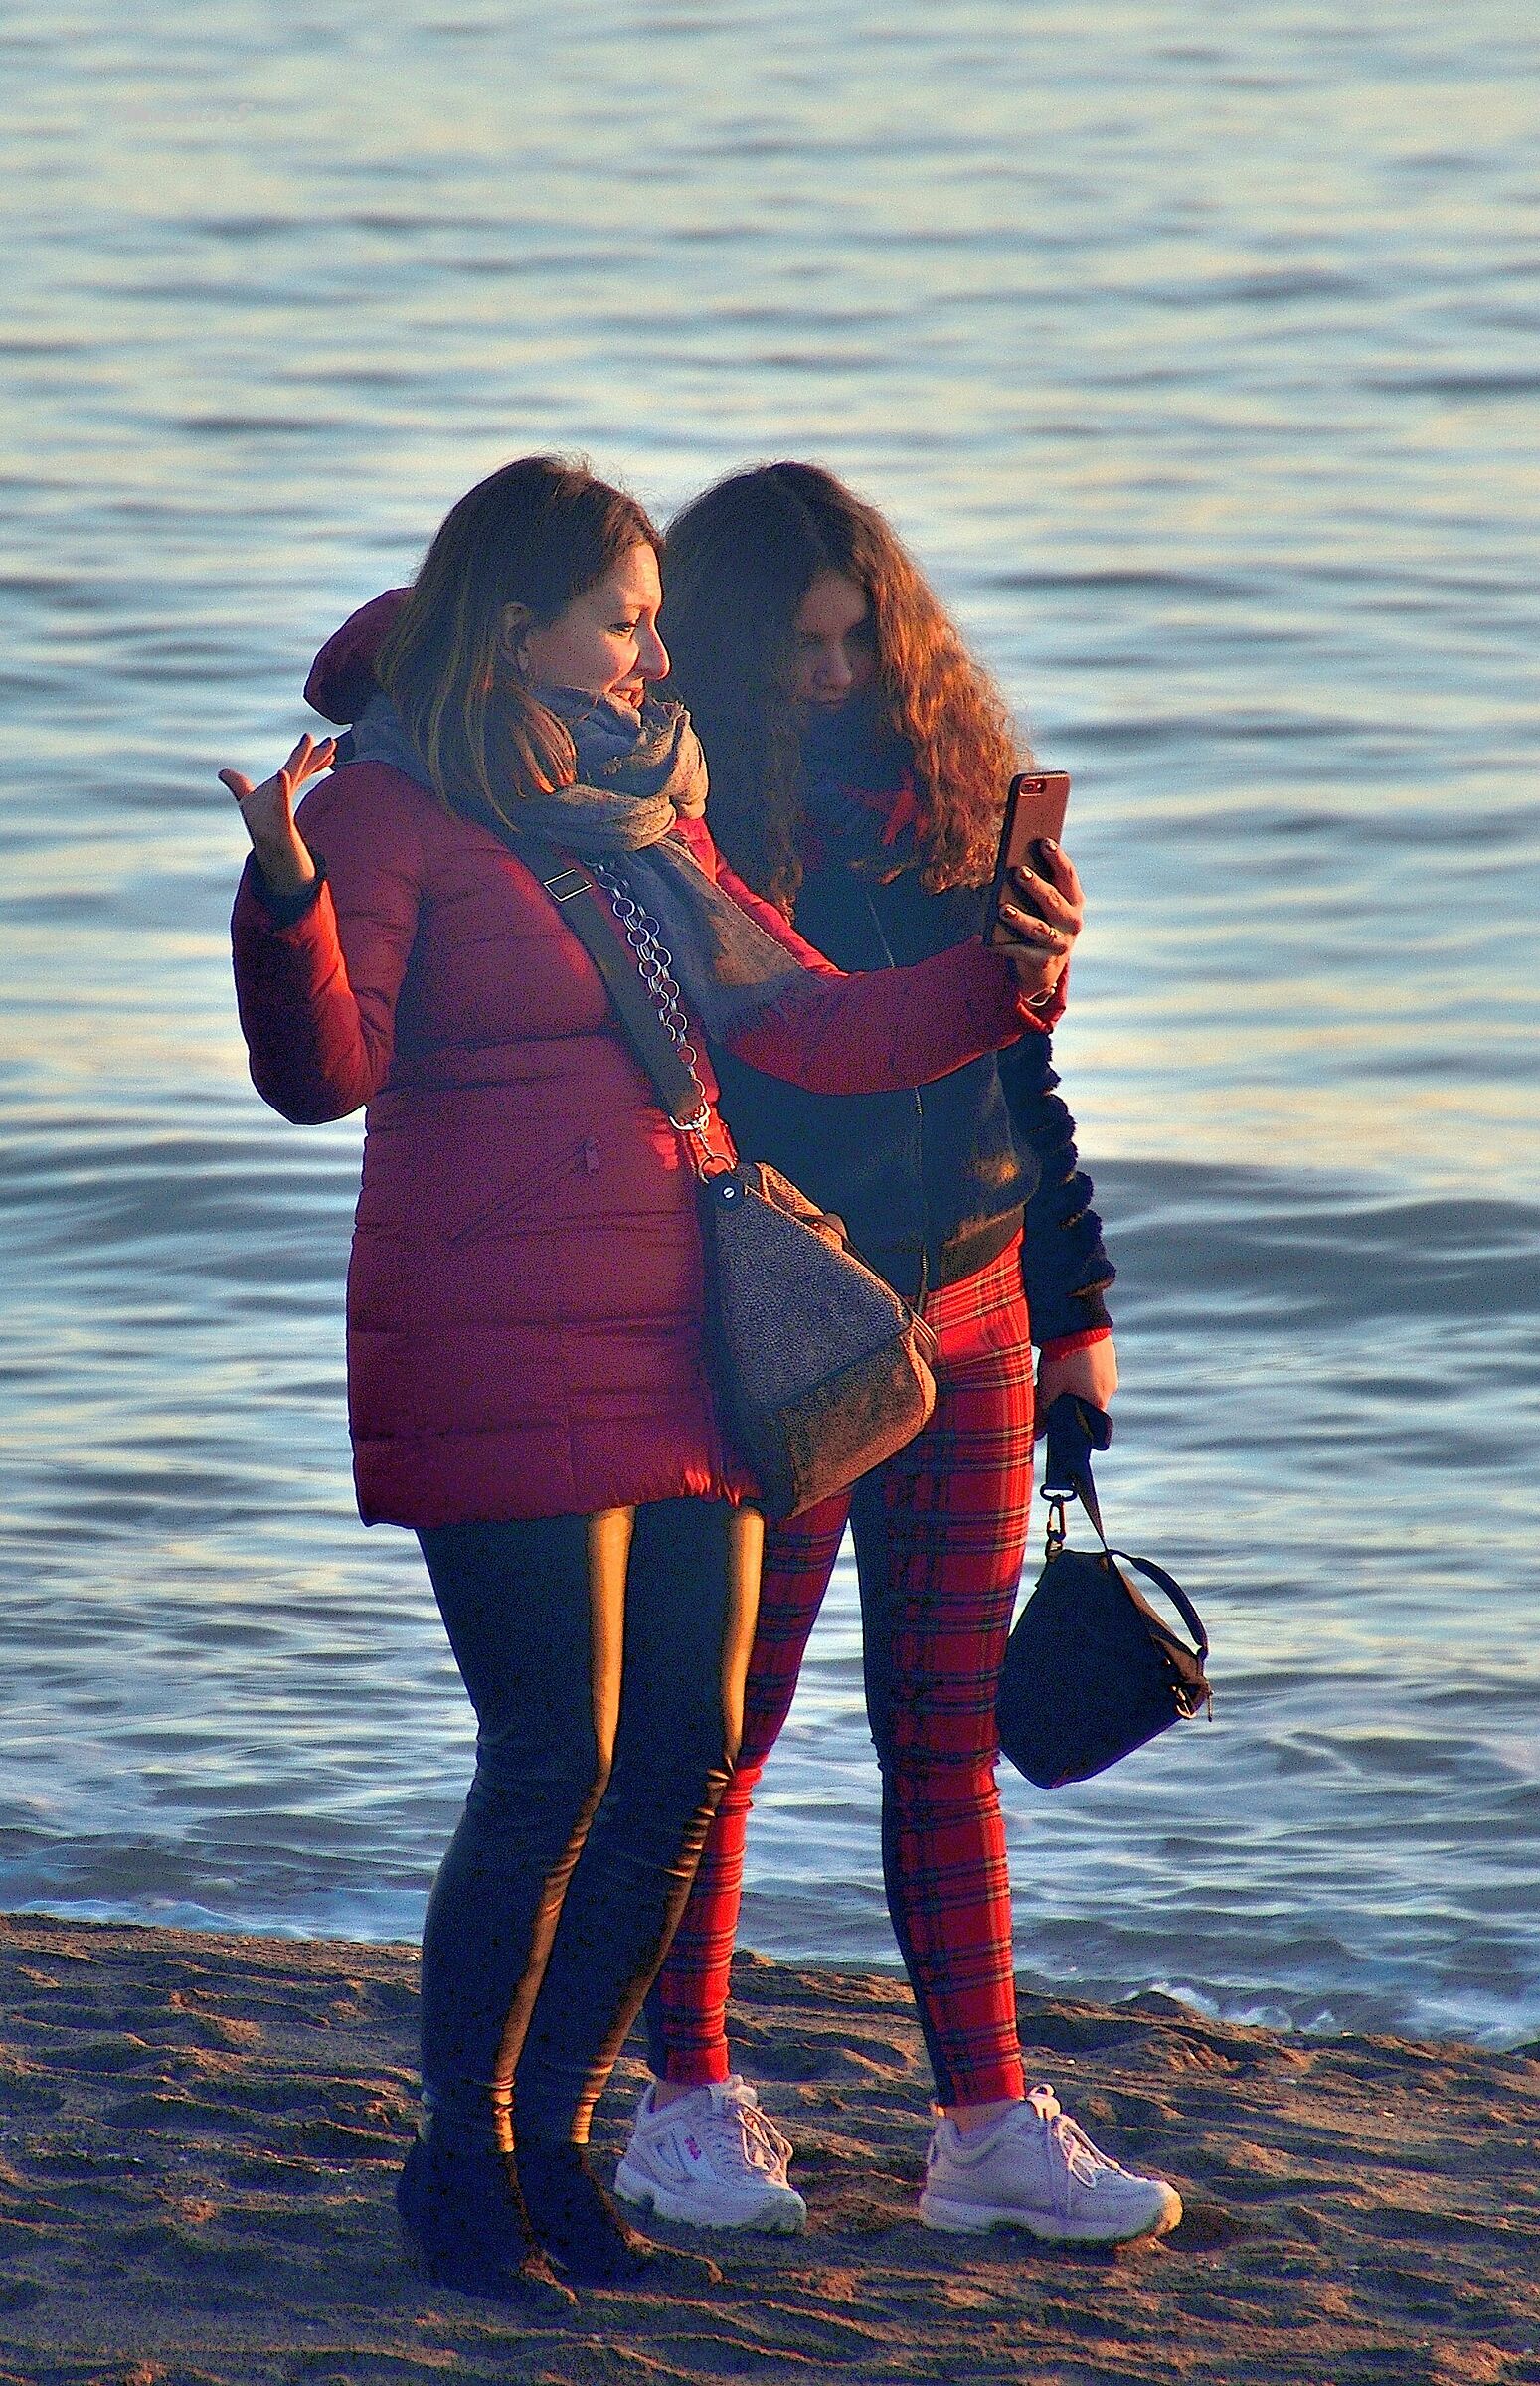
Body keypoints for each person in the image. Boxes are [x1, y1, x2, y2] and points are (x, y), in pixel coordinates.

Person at [221, 455, 1078, 2307]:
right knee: (551, 1761)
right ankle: (462, 2168)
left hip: (676, 1347)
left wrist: (1003, 986)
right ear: (514, 622)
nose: (649, 653)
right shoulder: (387, 813)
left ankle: (553, 2146)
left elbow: (803, 1021)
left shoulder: (637, 816)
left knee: (679, 1758)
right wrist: (281, 899)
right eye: (620, 620)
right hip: (500, 1343)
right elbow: (325, 1078)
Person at [614, 462, 1182, 2249]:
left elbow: (1027, 1089)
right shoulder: (676, 829)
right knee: (728, 1731)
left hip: (984, 1319)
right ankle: (685, 2101)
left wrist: (1077, 1314)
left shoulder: (954, 811)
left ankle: (986, 2121)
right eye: (796, 644)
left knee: (940, 1737)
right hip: (793, 1332)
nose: (832, 675)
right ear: (714, 643)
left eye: (861, 640)